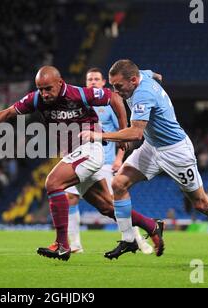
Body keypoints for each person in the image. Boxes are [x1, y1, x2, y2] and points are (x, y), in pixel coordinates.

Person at [0, 65, 164, 261]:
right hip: (74, 154)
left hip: (90, 149)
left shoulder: (77, 94)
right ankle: (151, 225)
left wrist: (124, 131)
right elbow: (9, 112)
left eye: (48, 88)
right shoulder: (36, 99)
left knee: (53, 183)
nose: (44, 93)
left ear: (60, 82)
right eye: (40, 88)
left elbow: (114, 97)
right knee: (107, 207)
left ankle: (62, 245)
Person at [80, 59, 208, 262]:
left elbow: (136, 133)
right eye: (112, 85)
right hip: (152, 147)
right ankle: (129, 239)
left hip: (176, 152)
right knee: (118, 184)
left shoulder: (143, 95)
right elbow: (157, 76)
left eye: (118, 86)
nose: (115, 90)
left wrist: (100, 136)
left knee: (201, 203)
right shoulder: (142, 75)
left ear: (134, 80)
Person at [67, 67, 162, 255]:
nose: (93, 82)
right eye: (89, 79)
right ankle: (76, 244)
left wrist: (119, 158)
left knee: (112, 204)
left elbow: (122, 131)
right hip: (80, 159)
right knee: (71, 198)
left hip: (105, 161)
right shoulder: (80, 104)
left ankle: (136, 237)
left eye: (96, 79)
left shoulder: (109, 104)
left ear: (103, 83)